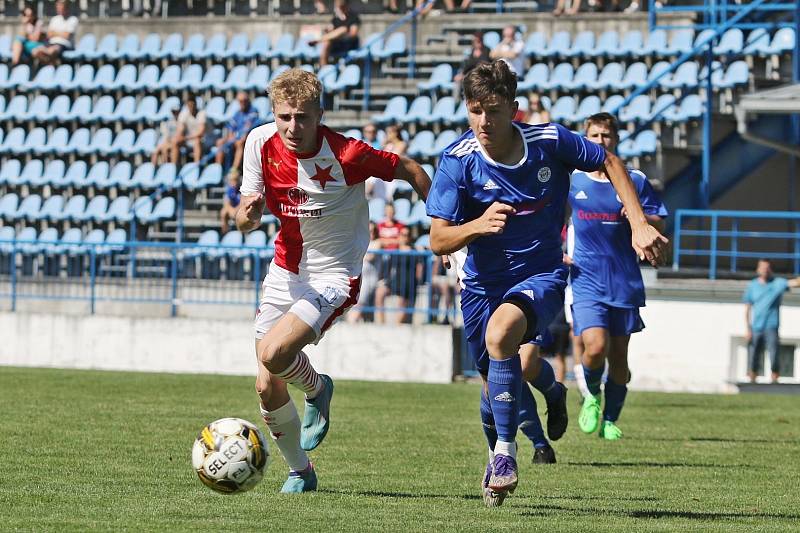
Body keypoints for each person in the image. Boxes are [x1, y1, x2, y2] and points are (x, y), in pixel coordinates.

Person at [426, 61, 668, 507]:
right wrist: (476, 226)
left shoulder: (549, 141)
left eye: (494, 110)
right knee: (490, 389)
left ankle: (505, 453)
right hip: (481, 285)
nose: (484, 121)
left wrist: (637, 222)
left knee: (504, 337)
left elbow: (610, 162)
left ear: (514, 109)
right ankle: (551, 394)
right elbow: (438, 237)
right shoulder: (456, 160)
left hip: (542, 275)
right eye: (476, 110)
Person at [235, 68, 431, 494]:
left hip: (334, 275)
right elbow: (242, 215)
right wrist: (246, 218)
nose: (292, 126)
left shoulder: (349, 155)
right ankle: (301, 472)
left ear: (319, 115)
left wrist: (442, 228)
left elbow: (413, 170)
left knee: (274, 352)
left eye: (302, 117)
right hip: (285, 270)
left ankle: (318, 388)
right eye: (284, 116)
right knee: (267, 385)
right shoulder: (258, 142)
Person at [568, 112, 668, 441]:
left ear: (616, 140)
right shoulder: (572, 180)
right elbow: (553, 218)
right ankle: (592, 396)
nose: (600, 142)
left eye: (606, 137)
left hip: (624, 279)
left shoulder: (634, 181)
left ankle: (611, 418)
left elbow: (659, 223)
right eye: (594, 136)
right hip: (585, 277)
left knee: (619, 358)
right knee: (594, 347)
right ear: (586, 140)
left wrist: (643, 219)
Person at [743, 259, 800, 383]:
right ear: (758, 269)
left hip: (771, 326)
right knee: (753, 355)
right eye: (763, 267)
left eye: (767, 268)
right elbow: (747, 309)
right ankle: (752, 379)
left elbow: (794, 283)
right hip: (756, 327)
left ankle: (775, 378)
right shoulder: (752, 286)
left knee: (774, 353)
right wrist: (748, 328)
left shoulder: (777, 283)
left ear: (770, 269)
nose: (765, 270)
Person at [215, 92, 261, 174]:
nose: (242, 103)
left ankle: (234, 170)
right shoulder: (237, 113)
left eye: (244, 100)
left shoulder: (253, 111)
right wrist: (230, 136)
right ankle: (217, 169)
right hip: (235, 137)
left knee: (240, 143)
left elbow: (248, 127)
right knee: (220, 142)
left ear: (248, 100)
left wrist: (239, 137)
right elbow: (231, 128)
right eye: (240, 101)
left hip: (246, 137)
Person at [310, 0, 360, 66]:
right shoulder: (336, 18)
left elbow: (353, 34)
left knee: (343, 29)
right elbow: (330, 29)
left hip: (349, 44)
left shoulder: (353, 17)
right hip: (336, 44)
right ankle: (323, 67)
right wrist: (326, 30)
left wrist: (340, 35)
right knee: (327, 42)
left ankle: (320, 40)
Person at [172, 95, 210, 164]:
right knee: (175, 142)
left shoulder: (202, 113)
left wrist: (185, 138)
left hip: (204, 140)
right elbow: (180, 129)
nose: (191, 108)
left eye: (192, 105)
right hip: (189, 139)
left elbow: (200, 133)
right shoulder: (184, 113)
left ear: (195, 104)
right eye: (189, 105)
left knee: (197, 141)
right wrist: (179, 137)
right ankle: (174, 167)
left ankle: (196, 166)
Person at [453, 33, 490, 98]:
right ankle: (456, 102)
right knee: (458, 80)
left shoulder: (487, 51)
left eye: (479, 41)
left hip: (481, 74)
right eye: (476, 41)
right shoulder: (471, 52)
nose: (478, 43)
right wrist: (461, 74)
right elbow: (466, 66)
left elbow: (485, 65)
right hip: (469, 74)